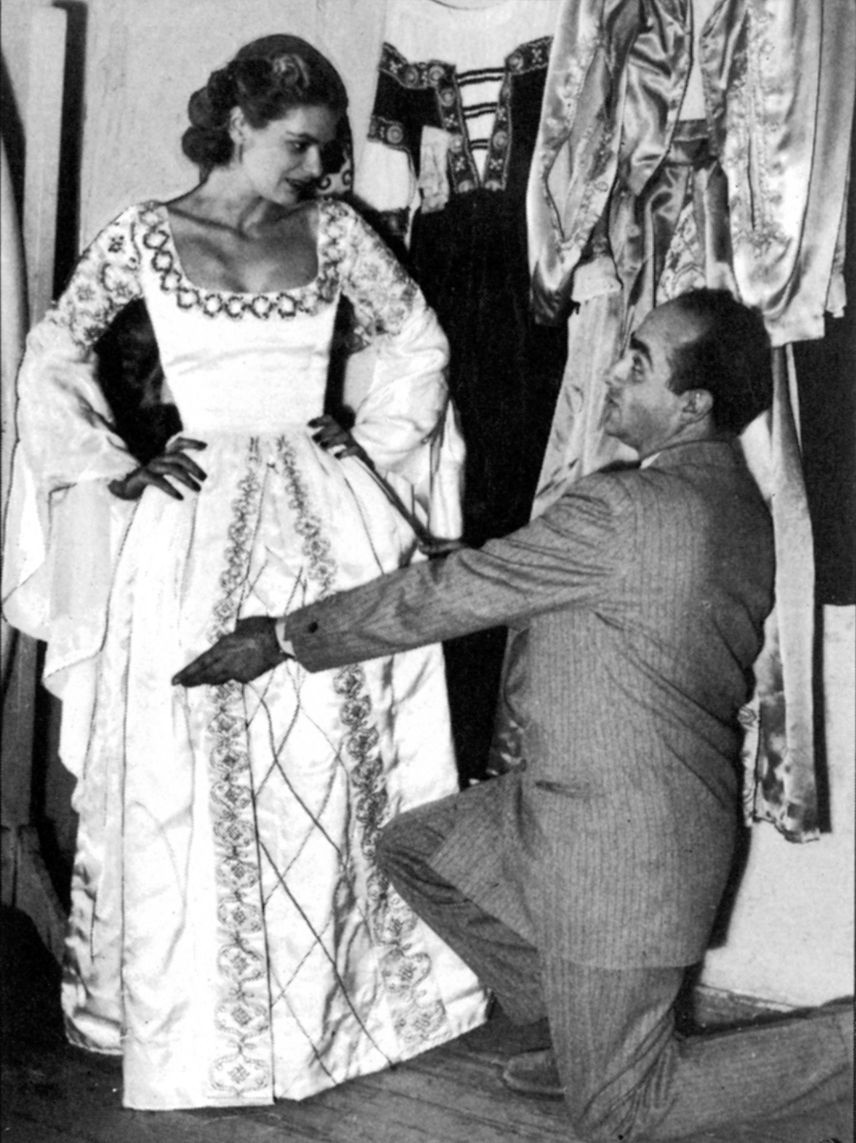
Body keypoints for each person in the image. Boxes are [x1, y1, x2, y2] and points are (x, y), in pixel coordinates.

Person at [176, 289, 852, 1140]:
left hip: (619, 854)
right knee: (416, 849)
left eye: (638, 363)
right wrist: (476, 561)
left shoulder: (622, 510)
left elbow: (459, 593)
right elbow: (592, 586)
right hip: (612, 813)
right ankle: (583, 1031)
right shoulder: (738, 508)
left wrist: (282, 637)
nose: (613, 371)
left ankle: (838, 1048)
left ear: (692, 405)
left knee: (622, 1116)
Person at [2, 34, 488, 1111]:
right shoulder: (146, 234)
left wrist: (370, 446)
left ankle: (339, 1015)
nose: (318, 168)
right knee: (186, 763)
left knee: (330, 754)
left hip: (324, 517)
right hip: (192, 523)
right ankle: (200, 1027)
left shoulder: (336, 231)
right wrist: (113, 466)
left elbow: (421, 344)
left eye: (327, 149)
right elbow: (51, 353)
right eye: (298, 145)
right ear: (236, 125)